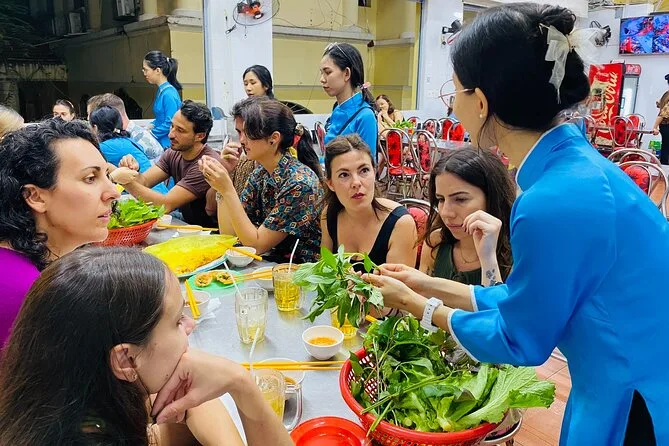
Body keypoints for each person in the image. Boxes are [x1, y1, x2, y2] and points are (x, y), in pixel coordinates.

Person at [365, 4, 668, 445]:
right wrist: (428, 285)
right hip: (621, 373)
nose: (452, 105)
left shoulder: (552, 201)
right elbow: (531, 299)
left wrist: (418, 306)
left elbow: (521, 337)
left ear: (480, 102)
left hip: (635, 398)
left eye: (454, 91)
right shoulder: (574, 170)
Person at [0, 247, 292, 446]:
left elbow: (162, 432)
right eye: (177, 320)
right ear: (126, 359)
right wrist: (241, 384)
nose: (190, 324)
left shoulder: (72, 404)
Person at [0, 119, 119, 346]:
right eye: (90, 178)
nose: (113, 192)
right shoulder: (25, 292)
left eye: (107, 175)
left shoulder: (37, 267)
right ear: (35, 197)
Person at [200, 97, 323, 263]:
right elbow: (229, 234)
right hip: (267, 264)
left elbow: (256, 245)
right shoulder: (260, 173)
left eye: (248, 133)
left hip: (297, 271)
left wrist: (227, 189)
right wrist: (224, 181)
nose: (241, 140)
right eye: (239, 132)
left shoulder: (299, 183)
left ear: (274, 138)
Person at [419, 147, 514, 286]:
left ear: (492, 198)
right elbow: (420, 295)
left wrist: (488, 259)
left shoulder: (517, 253)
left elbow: (495, 300)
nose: (446, 212)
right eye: (441, 199)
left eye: (460, 199)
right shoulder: (436, 242)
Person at [113, 100, 217, 227]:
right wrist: (130, 171)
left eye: (180, 130)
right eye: (172, 126)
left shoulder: (206, 164)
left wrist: (123, 180)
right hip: (186, 222)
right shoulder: (173, 152)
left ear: (200, 136)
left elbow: (165, 205)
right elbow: (144, 181)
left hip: (207, 232)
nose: (171, 134)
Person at [321, 133, 416, 268]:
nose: (356, 182)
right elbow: (325, 271)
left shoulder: (399, 224)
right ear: (331, 184)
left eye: (364, 170)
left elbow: (399, 282)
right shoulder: (329, 216)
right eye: (344, 175)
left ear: (374, 172)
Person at [89, 106, 168, 194]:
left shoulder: (104, 147)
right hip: (159, 192)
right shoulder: (127, 140)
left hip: (147, 196)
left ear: (95, 127)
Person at [320, 42, 378, 158]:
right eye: (322, 73)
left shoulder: (365, 116)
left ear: (346, 73)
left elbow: (368, 164)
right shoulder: (337, 108)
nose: (322, 79)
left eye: (328, 72)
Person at [88, 93, 164, 162]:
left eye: (94, 115)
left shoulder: (139, 139)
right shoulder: (123, 136)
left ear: (112, 114)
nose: (88, 119)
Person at [143, 50, 182, 148]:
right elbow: (160, 118)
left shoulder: (169, 94)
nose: (144, 73)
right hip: (161, 141)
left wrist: (151, 133)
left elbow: (170, 123)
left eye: (146, 70)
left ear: (157, 70)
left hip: (167, 144)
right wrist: (150, 126)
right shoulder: (162, 91)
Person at [652, 74, 669, 165]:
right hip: (666, 125)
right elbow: (663, 113)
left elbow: (658, 103)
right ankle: (665, 168)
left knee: (665, 146)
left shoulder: (666, 93)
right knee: (666, 147)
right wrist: (655, 127)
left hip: (664, 125)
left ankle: (664, 166)